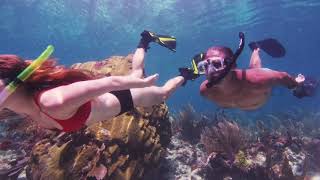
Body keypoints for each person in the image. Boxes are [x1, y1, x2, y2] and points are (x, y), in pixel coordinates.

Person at [0, 30, 185, 132]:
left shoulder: (53, 102)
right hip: (102, 99)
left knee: (163, 94)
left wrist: (143, 85)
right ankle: (146, 39)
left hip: (123, 98)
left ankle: (188, 73)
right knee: (136, 73)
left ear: (12, 82)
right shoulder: (14, 107)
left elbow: (108, 83)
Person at [178, 32, 319, 110]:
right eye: (204, 66)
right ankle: (256, 48)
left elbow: (282, 76)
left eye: (216, 64)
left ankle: (257, 48)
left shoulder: (260, 80)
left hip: (257, 82)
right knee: (254, 70)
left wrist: (295, 84)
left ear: (232, 65)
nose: (210, 71)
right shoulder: (205, 91)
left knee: (255, 69)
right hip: (250, 95)